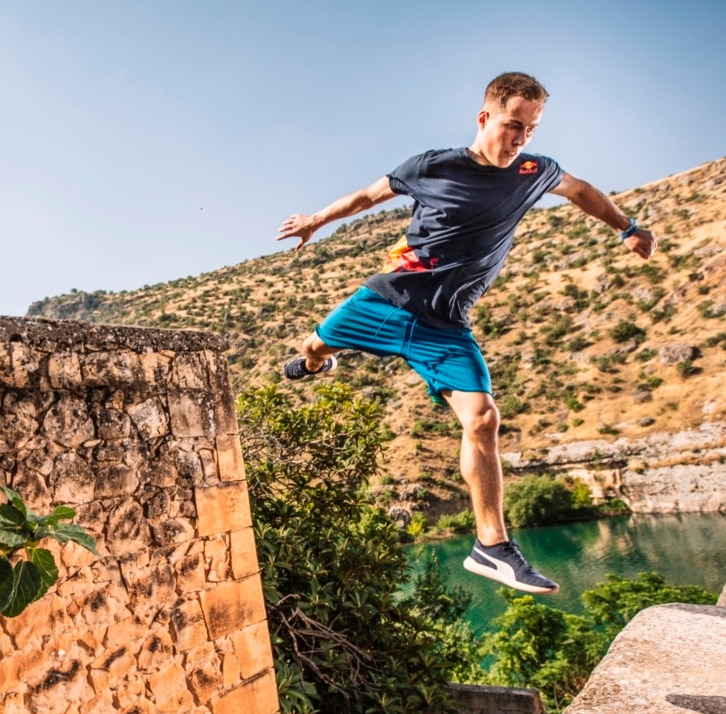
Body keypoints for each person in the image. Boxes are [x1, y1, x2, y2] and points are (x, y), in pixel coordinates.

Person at [275, 71, 656, 595]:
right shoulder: (433, 166)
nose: (521, 138)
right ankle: (317, 363)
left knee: (483, 419)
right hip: (388, 299)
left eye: (531, 128)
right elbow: (367, 196)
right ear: (485, 118)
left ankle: (491, 546)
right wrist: (314, 221)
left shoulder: (533, 172)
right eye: (513, 125)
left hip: (445, 327)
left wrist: (628, 228)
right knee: (315, 343)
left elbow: (584, 192)